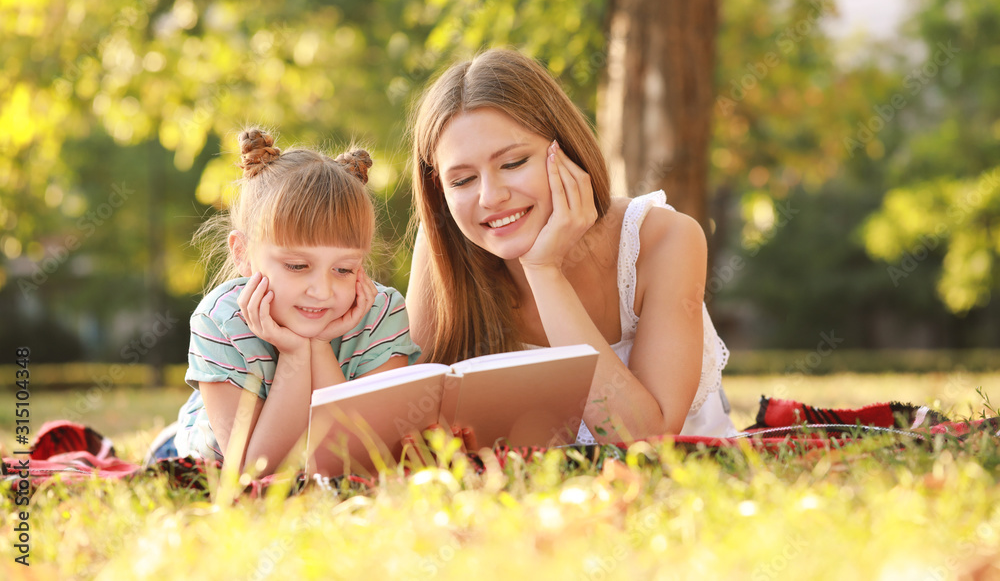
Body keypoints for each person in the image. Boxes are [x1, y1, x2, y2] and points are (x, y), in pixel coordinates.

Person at [405, 48, 736, 444]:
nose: (490, 197)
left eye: (512, 163)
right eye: (462, 181)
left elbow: (644, 439)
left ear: (564, 150)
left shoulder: (666, 239)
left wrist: (544, 271)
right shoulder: (443, 247)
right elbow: (408, 427)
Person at [165, 128, 421, 474]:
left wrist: (317, 345)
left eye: (344, 269)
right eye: (298, 266)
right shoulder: (219, 319)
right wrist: (295, 355)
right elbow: (255, 471)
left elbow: (359, 462)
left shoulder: (381, 313)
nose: (322, 291)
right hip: (208, 448)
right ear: (243, 254)